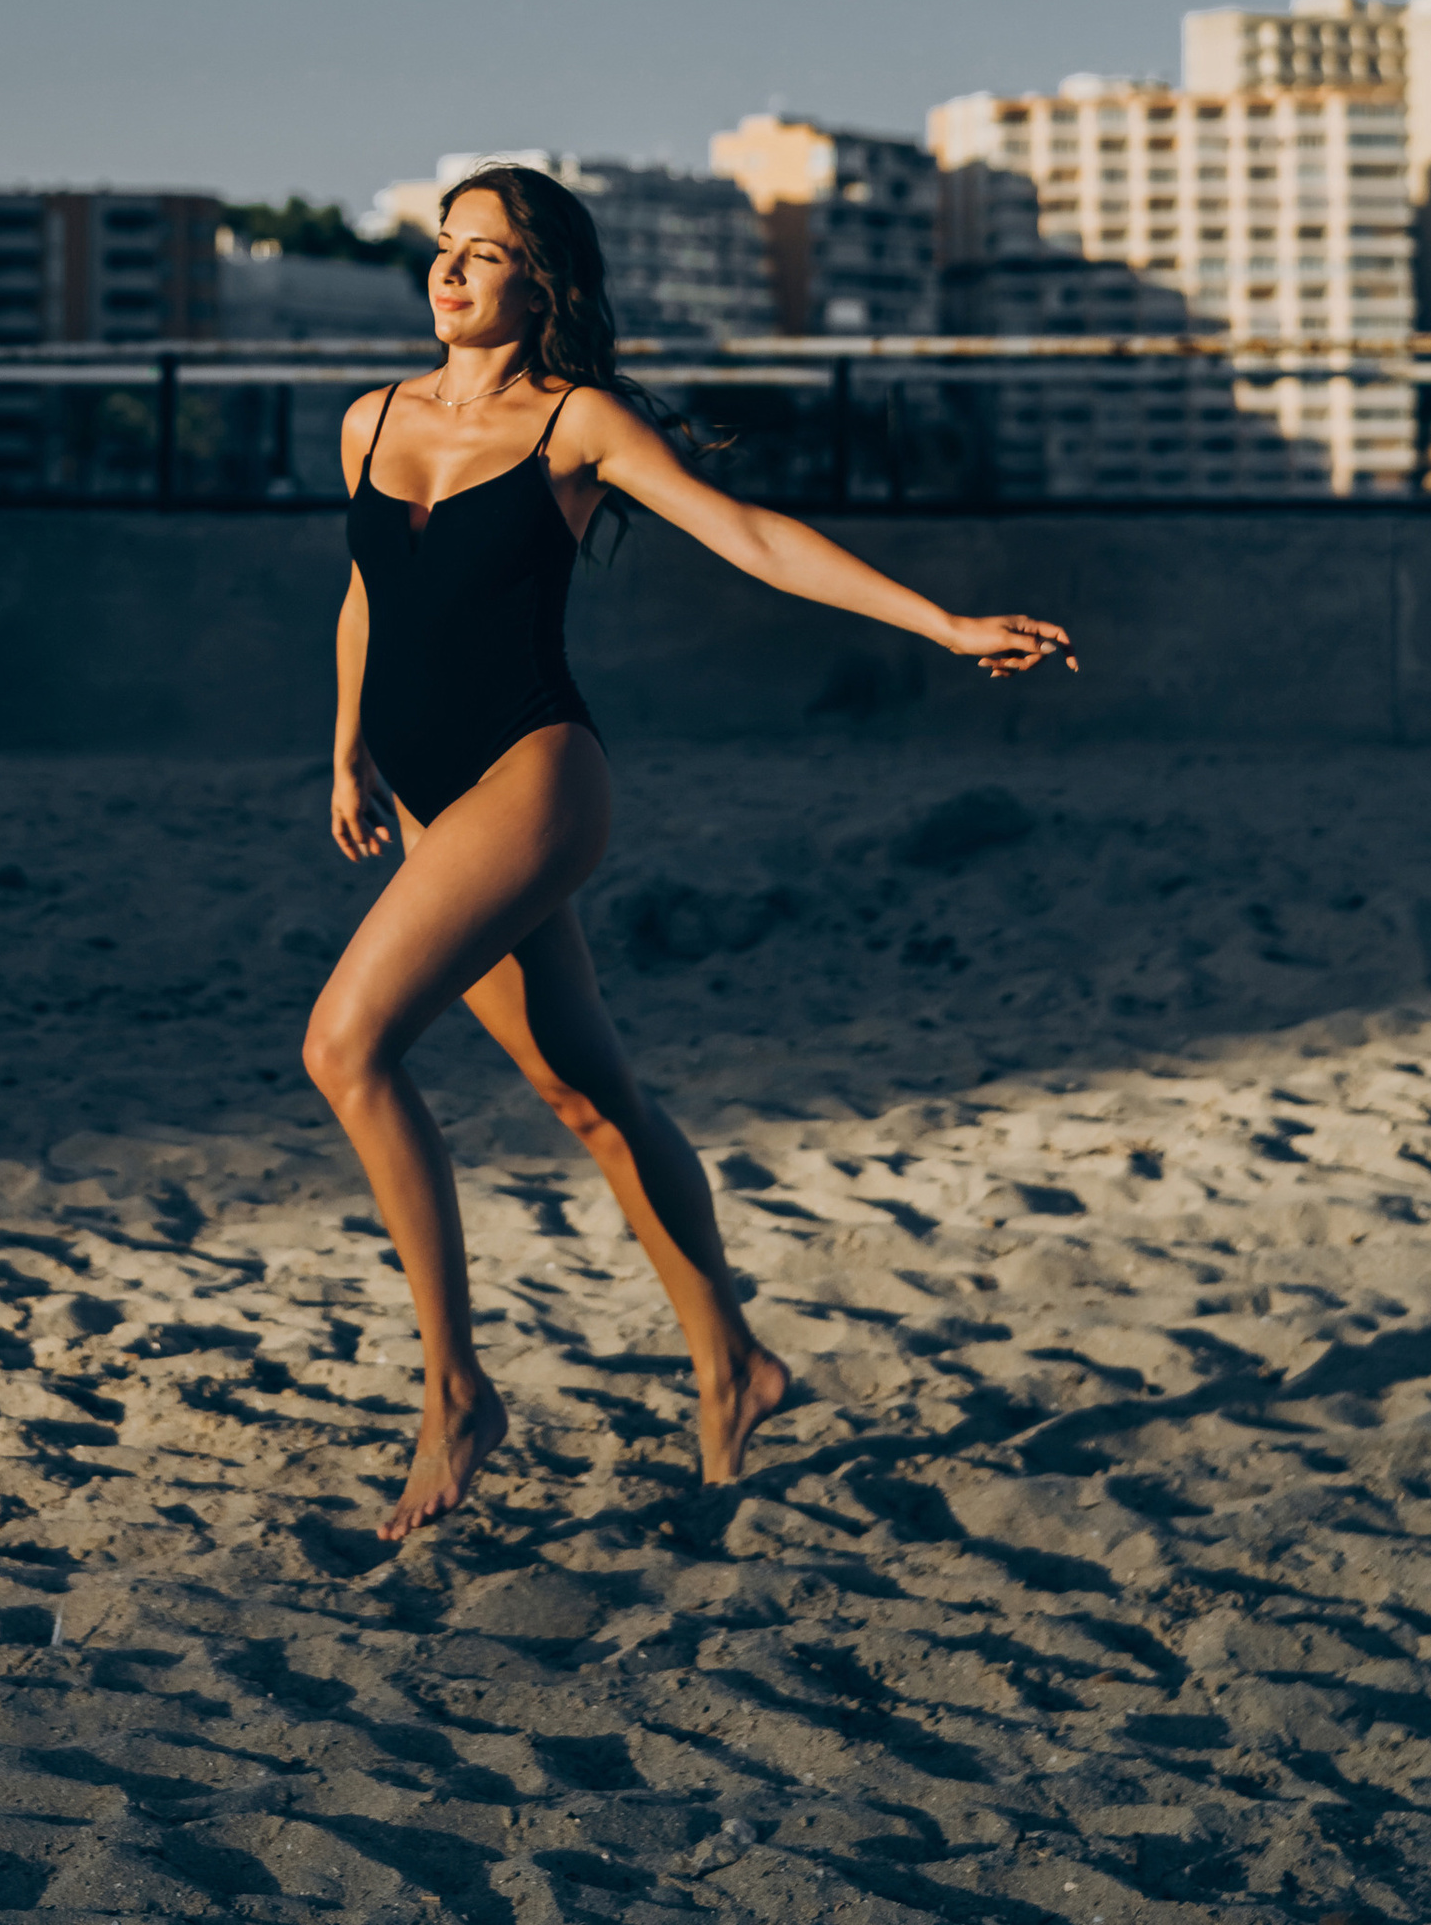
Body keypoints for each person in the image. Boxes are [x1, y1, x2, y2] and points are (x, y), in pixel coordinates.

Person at [303, 162, 1074, 1544]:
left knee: (346, 1049)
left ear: (545, 282)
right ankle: (735, 1363)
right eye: (444, 245)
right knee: (586, 1095)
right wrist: (348, 747)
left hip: (534, 777)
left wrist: (945, 625)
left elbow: (752, 537)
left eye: (486, 252)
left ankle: (457, 1394)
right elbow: (370, 590)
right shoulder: (371, 419)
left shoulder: (577, 421)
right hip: (421, 793)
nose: (452, 270)